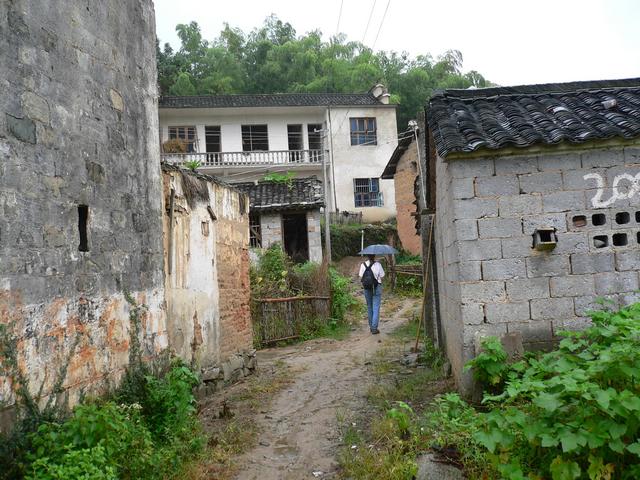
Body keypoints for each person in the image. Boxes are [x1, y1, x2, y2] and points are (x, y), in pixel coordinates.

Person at [358, 254, 385, 334]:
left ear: (367, 256)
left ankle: (371, 327)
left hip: (367, 288)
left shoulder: (363, 265)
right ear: (374, 256)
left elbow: (360, 277)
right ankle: (374, 328)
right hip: (377, 287)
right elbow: (382, 276)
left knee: (369, 306)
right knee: (376, 307)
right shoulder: (378, 265)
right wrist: (376, 278)